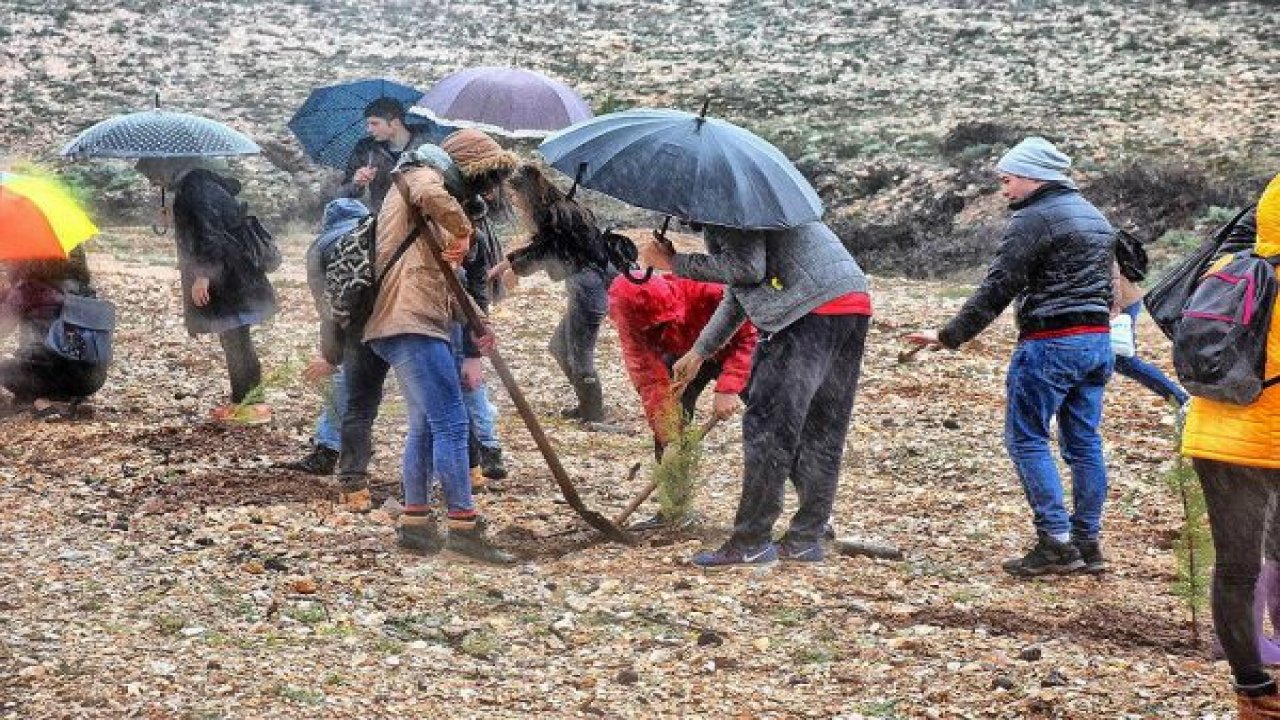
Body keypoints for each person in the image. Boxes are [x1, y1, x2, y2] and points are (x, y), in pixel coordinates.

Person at [906, 136, 1115, 577]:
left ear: (1032, 176)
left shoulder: (1036, 219)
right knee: (1084, 442)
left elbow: (998, 286)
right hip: (1097, 341)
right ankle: (1087, 541)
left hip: (1051, 342)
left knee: (1027, 438)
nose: (1004, 190)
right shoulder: (1093, 215)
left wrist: (949, 336)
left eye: (1007, 180)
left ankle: (1055, 543)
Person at [640, 219, 872, 568]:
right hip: (850, 303)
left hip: (805, 312)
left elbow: (747, 270)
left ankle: (751, 542)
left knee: (769, 428)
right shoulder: (762, 206)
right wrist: (700, 352)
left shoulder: (729, 209)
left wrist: (674, 264)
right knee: (821, 430)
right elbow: (741, 292)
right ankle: (806, 539)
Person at [354, 129, 517, 563]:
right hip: (410, 320)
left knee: (426, 423)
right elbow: (428, 194)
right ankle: (464, 527)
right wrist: (464, 231)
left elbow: (451, 283)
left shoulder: (436, 203)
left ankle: (416, 523)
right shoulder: (419, 173)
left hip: (422, 320)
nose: (485, 191)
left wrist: (477, 324)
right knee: (452, 423)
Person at [1182, 174, 1280, 718]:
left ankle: (1253, 694)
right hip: (1270, 443)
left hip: (1217, 439)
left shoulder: (1226, 270)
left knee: (1236, 569)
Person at [138, 158, 277, 424]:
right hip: (234, 272)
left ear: (164, 167)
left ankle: (250, 405)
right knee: (236, 337)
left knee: (235, 338)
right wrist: (172, 215)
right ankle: (245, 402)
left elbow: (210, 233)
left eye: (152, 175)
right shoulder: (198, 184)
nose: (153, 182)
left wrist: (203, 274)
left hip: (228, 277)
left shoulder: (195, 188)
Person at [487, 165, 616, 424]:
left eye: (514, 195)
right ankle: (586, 403)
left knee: (580, 353)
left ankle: (595, 415)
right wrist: (506, 264)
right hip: (586, 284)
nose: (512, 200)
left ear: (527, 193)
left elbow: (544, 253)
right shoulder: (559, 212)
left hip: (589, 286)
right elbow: (542, 246)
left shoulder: (555, 215)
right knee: (559, 346)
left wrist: (513, 268)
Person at [607, 272, 756, 458]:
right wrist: (669, 437)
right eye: (648, 328)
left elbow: (751, 335)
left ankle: (782, 472)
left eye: (659, 325)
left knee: (767, 415)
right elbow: (648, 378)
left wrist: (729, 387)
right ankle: (673, 478)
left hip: (737, 351)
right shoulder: (631, 324)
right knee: (671, 418)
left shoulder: (708, 290)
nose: (653, 332)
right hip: (683, 358)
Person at [282, 198, 371, 475]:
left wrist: (331, 356)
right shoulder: (378, 232)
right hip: (406, 319)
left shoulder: (323, 247)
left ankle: (329, 450)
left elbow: (329, 307)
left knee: (343, 381)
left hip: (360, 325)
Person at [0, 249, 108, 417]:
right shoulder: (82, 288)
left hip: (47, 373)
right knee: (52, 362)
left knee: (5, 369)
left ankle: (41, 400)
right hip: (92, 378)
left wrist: (3, 299)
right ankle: (66, 400)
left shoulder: (28, 288)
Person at [1111, 261, 1189, 407]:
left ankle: (1181, 401)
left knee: (1123, 360)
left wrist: (1115, 306)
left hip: (1119, 300)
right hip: (1112, 299)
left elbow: (1110, 266)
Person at [338, 98, 431, 212]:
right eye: (368, 124)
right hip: (384, 217)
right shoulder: (366, 148)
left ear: (395, 123)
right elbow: (343, 193)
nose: (369, 129)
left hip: (424, 216)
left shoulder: (427, 143)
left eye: (374, 123)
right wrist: (356, 182)